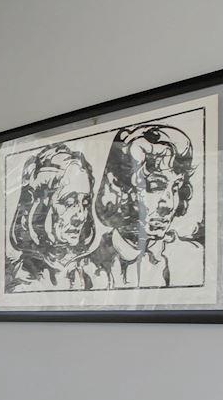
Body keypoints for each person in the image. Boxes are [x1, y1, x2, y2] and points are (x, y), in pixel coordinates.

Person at [85, 123, 204, 289]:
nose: (168, 204)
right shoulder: (85, 270)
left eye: (175, 187)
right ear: (119, 187)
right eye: (156, 186)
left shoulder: (195, 258)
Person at [4, 144, 98, 291]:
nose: (81, 216)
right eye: (69, 202)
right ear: (39, 206)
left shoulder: (94, 274)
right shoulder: (18, 281)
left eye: (85, 203)